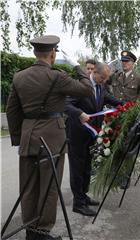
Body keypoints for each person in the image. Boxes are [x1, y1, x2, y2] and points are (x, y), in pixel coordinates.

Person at [6, 35, 93, 240]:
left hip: (29, 136)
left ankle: (30, 230)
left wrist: (19, 137)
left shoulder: (19, 76)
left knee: (28, 187)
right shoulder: (57, 77)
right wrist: (78, 66)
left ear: (35, 53)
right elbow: (87, 90)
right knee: (49, 186)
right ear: (53, 53)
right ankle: (42, 232)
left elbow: (12, 111)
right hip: (52, 138)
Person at [65, 63, 124, 217]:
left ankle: (83, 196)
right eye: (102, 78)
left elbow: (109, 99)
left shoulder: (101, 86)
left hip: (92, 135)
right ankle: (78, 203)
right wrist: (79, 113)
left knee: (87, 167)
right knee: (77, 169)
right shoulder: (80, 86)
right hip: (77, 134)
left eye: (106, 79)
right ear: (94, 73)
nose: (104, 81)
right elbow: (65, 105)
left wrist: (124, 105)